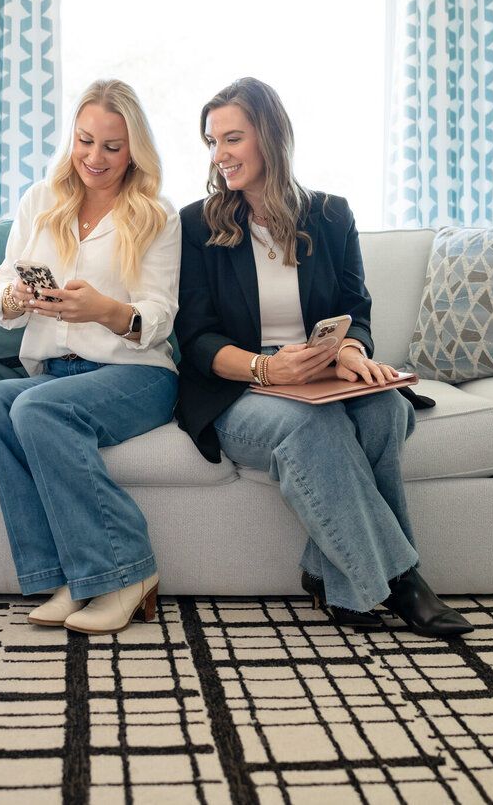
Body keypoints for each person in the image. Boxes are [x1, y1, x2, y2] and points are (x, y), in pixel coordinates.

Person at [174, 77, 471, 636]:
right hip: (240, 381)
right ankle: (403, 580)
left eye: (232, 138)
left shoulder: (331, 215)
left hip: (319, 369)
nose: (220, 155)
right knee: (312, 428)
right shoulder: (196, 224)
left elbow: (355, 305)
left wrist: (351, 349)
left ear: (270, 135)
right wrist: (267, 366)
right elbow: (195, 339)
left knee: (385, 411)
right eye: (212, 142)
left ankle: (335, 581)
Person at [0, 79, 180, 636]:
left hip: (136, 374)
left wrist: (106, 311)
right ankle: (68, 577)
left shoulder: (157, 214)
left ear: (134, 149)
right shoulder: (40, 201)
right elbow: (3, 285)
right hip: (57, 370)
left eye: (112, 146)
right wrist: (13, 298)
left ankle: (126, 572)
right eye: (85, 141)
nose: (95, 157)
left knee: (38, 411)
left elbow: (159, 312)